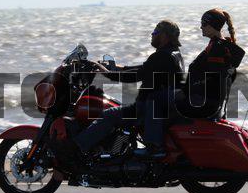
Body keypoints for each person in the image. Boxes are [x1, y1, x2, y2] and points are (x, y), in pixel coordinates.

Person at [73, 20, 184, 159]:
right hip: (157, 106)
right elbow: (143, 68)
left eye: (155, 32)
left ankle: (76, 149)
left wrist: (107, 74)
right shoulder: (173, 53)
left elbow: (136, 75)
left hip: (146, 106)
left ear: (164, 35)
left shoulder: (162, 56)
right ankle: (116, 151)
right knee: (119, 114)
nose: (152, 34)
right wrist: (115, 68)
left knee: (109, 114)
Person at [176, 8, 245, 119]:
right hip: (210, 103)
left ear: (214, 25)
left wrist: (185, 92)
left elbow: (213, 80)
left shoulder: (217, 48)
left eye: (204, 24)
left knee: (157, 100)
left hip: (204, 104)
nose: (201, 27)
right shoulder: (221, 45)